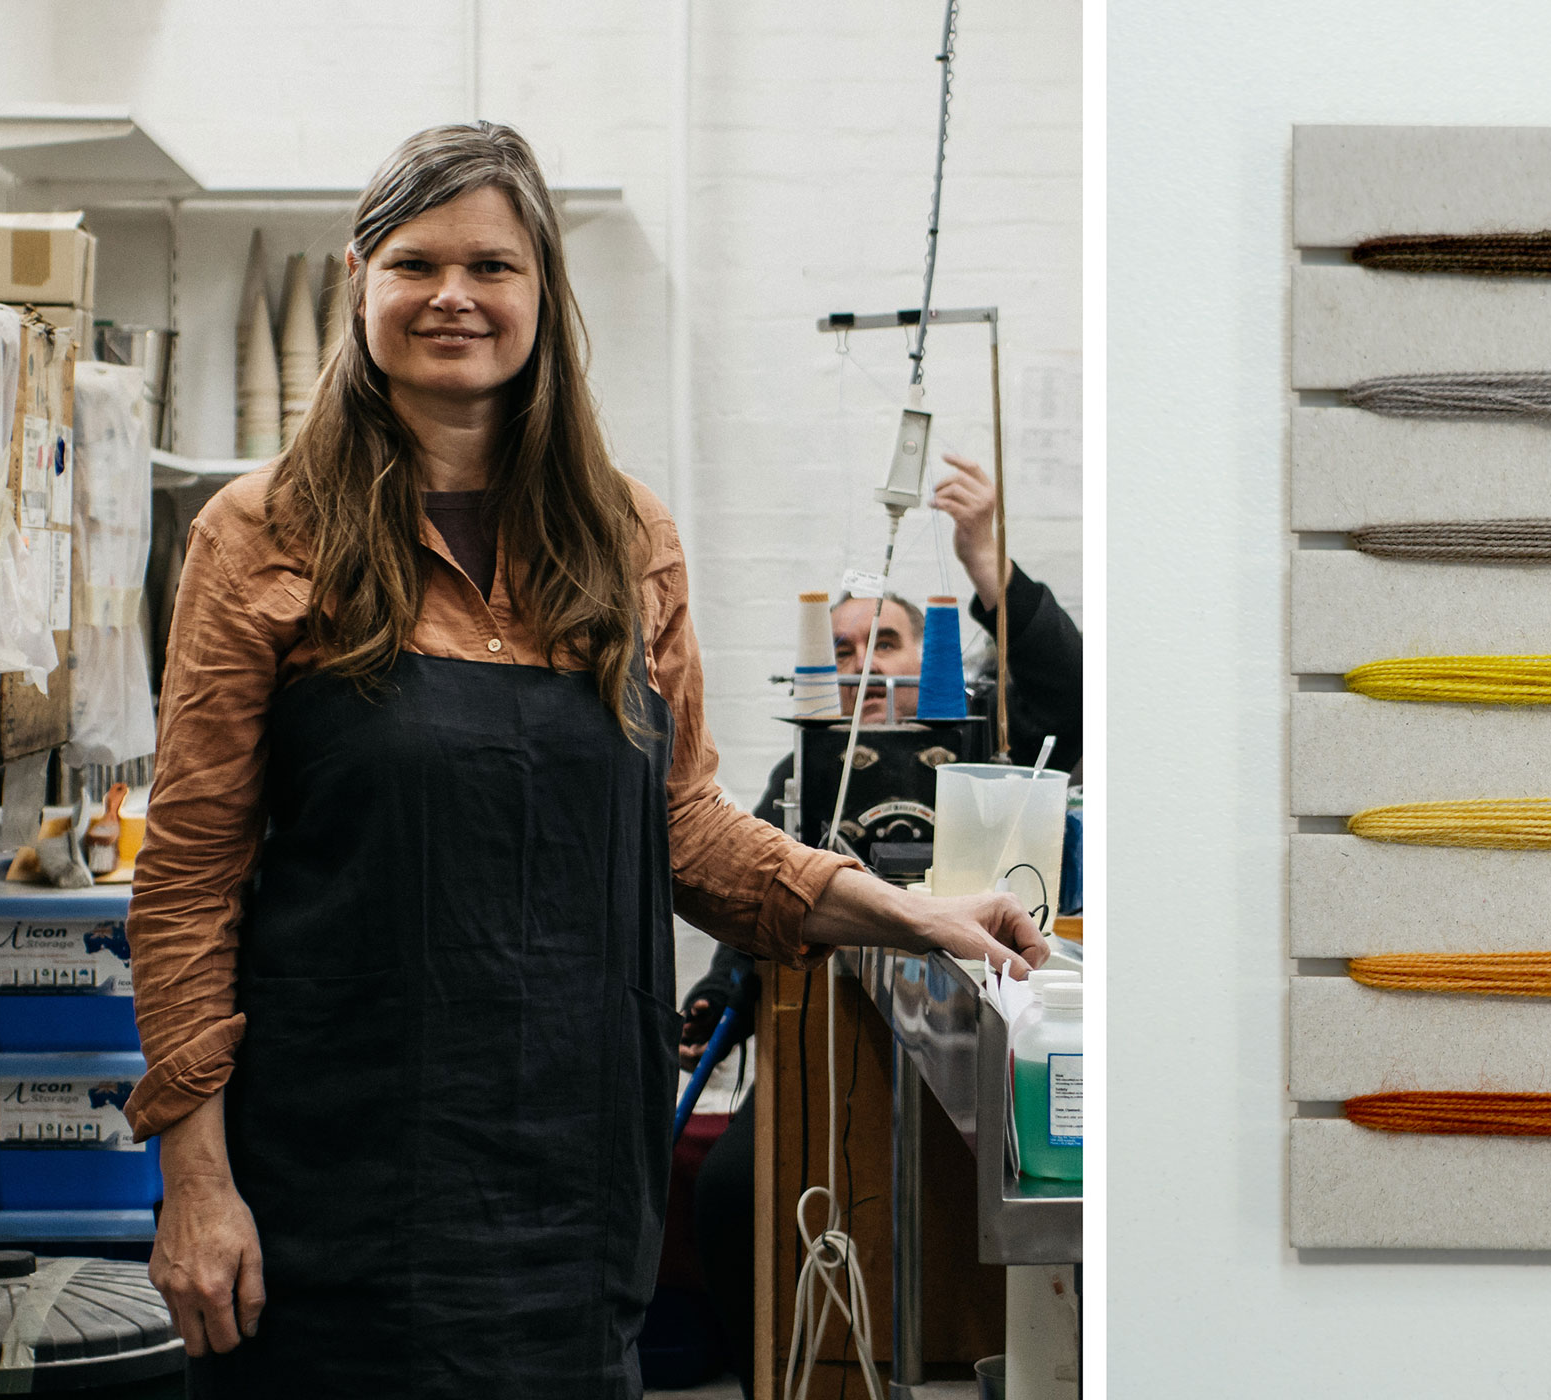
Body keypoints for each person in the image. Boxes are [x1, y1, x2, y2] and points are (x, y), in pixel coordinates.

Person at [125, 122, 1053, 1398]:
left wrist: (911, 914)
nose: (454, 294)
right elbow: (186, 881)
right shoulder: (260, 534)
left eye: (492, 265)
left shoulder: (626, 539)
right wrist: (195, 1176)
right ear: (360, 283)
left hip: (569, 1185)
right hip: (335, 1175)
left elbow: (686, 830)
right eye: (416, 262)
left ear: (542, 293)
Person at [685, 450, 1085, 1396]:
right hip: (817, 1043)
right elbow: (750, 886)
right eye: (847, 649)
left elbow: (1067, 690)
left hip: (976, 1036)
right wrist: (709, 999)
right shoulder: (804, 773)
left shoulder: (993, 744)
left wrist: (985, 560)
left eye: (890, 644)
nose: (865, 668)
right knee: (731, 1195)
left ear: (936, 657)